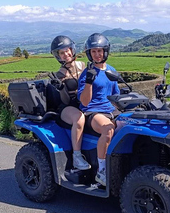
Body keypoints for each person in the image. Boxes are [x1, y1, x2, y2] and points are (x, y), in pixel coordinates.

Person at [77, 33, 120, 186]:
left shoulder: (111, 70)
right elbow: (84, 101)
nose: (97, 54)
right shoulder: (87, 73)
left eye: (99, 51)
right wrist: (89, 81)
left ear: (105, 51)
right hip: (93, 112)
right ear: (89, 53)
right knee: (108, 129)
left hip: (111, 110)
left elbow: (116, 96)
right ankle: (102, 171)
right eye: (93, 51)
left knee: (131, 126)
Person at [50, 35, 91, 171]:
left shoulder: (84, 66)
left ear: (72, 50)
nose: (66, 54)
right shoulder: (60, 75)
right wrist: (61, 88)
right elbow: (65, 100)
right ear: (58, 56)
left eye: (67, 50)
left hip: (84, 103)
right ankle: (77, 156)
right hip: (68, 107)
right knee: (79, 119)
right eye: (62, 52)